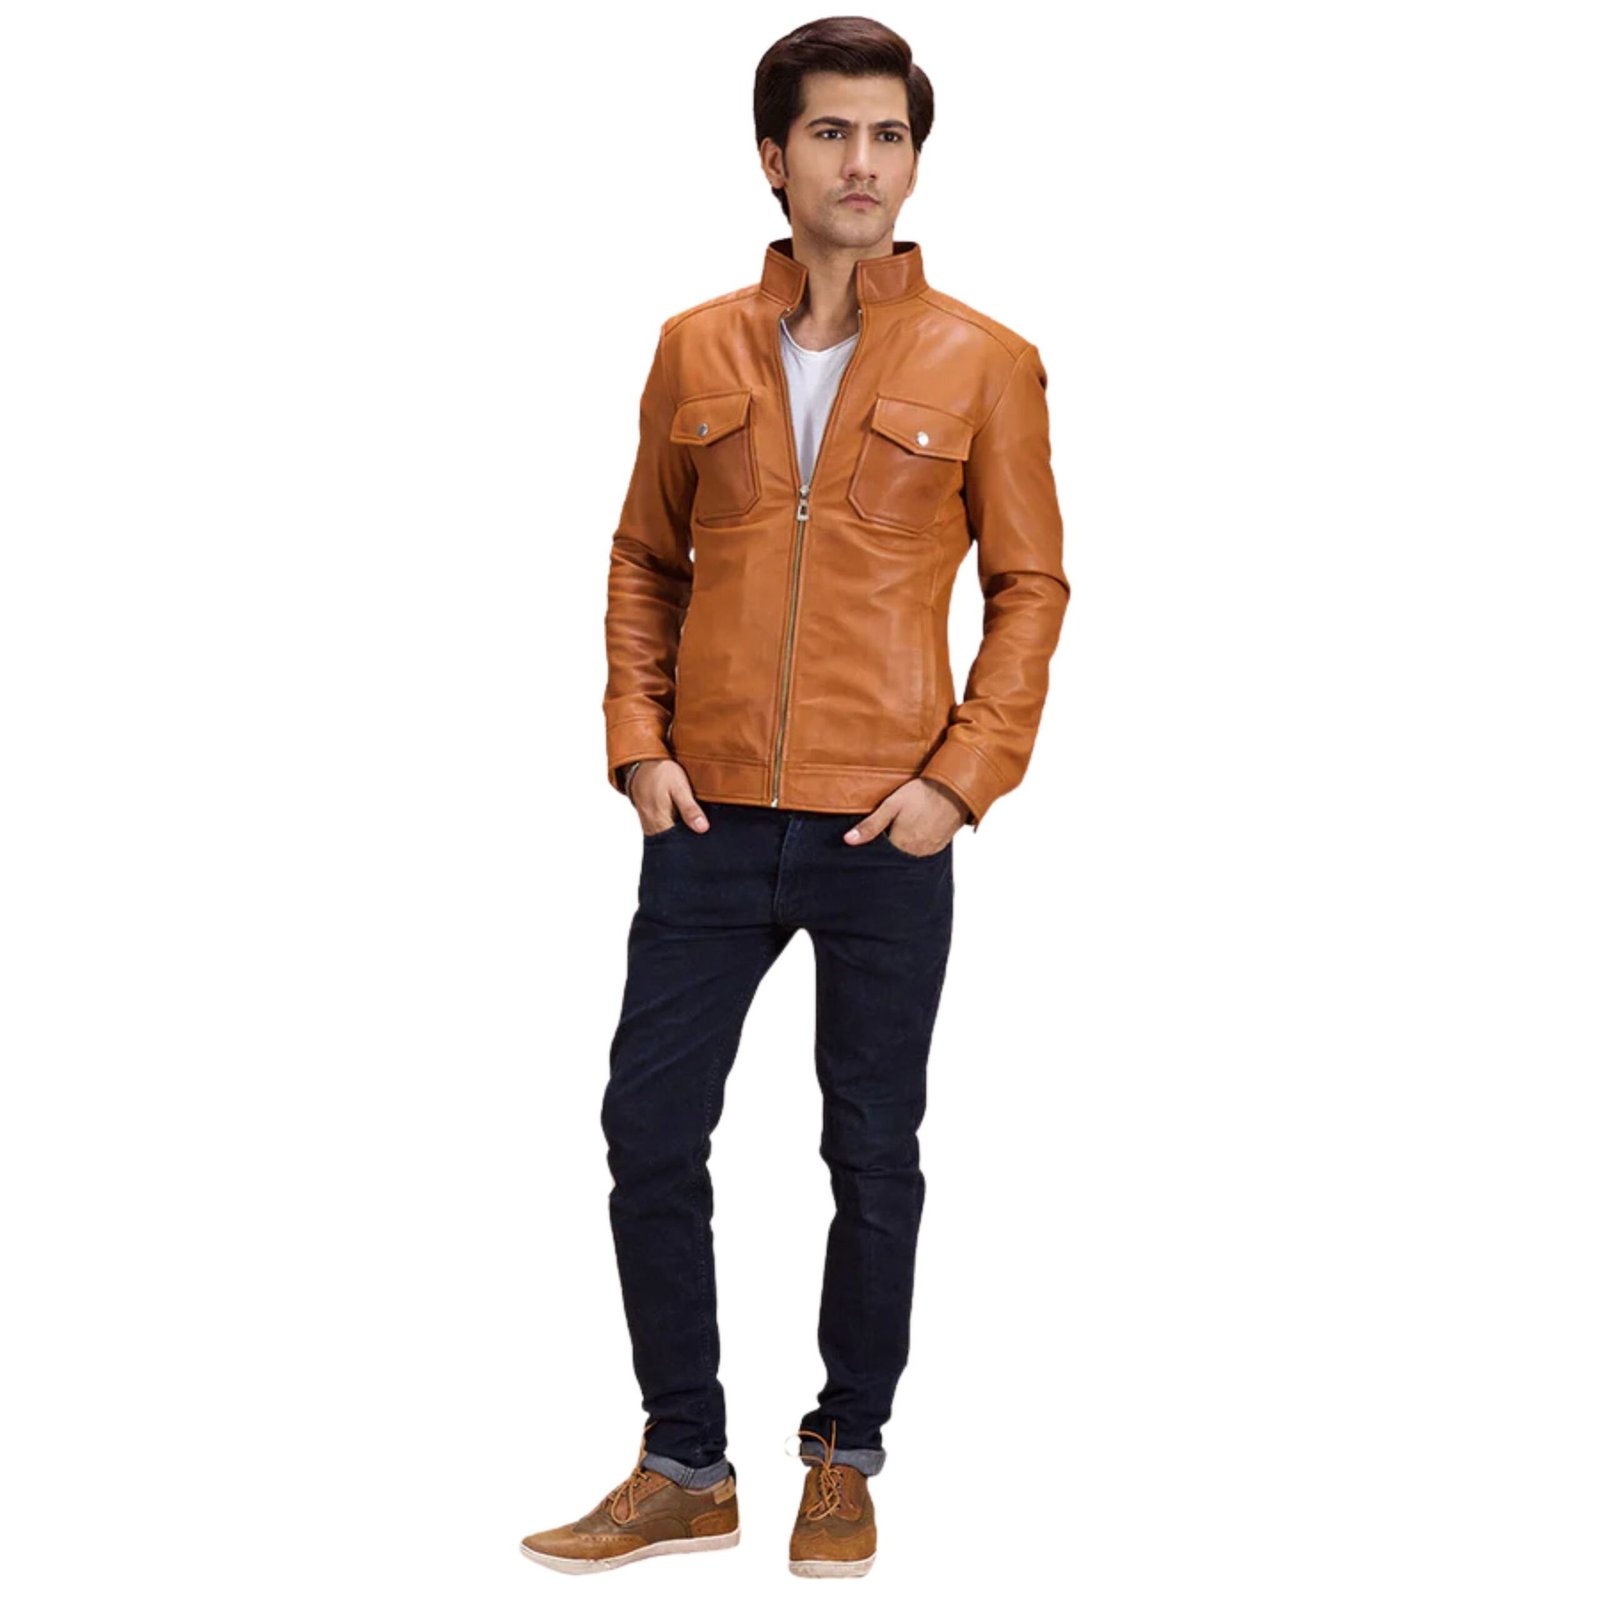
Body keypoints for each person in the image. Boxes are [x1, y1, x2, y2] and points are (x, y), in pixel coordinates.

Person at [521, 15, 1069, 1579]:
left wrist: (961, 780)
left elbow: (1030, 587)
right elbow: (645, 560)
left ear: (915, 161)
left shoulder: (985, 359)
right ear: (775, 157)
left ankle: (845, 1454)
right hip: (704, 818)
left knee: (871, 1149)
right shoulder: (694, 346)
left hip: (886, 822)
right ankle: (683, 1462)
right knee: (648, 1128)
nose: (863, 162)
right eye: (832, 132)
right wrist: (638, 744)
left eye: (889, 135)